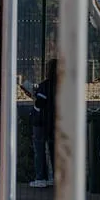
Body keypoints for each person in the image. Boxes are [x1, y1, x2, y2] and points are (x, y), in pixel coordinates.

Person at [30, 59, 57, 188]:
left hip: (41, 122)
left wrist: (35, 106)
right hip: (56, 122)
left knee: (39, 150)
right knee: (54, 149)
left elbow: (40, 103)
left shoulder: (44, 86)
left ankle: (41, 178)